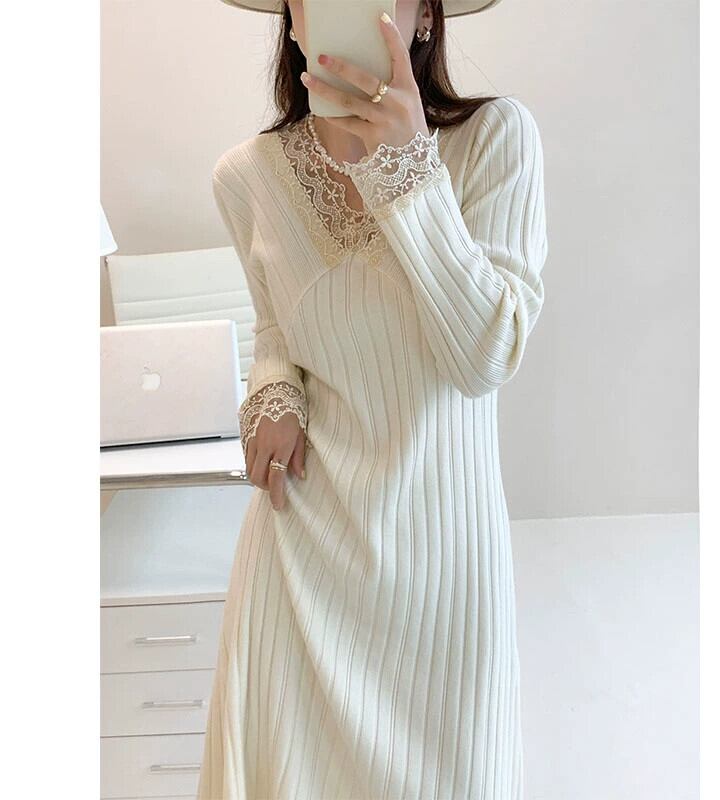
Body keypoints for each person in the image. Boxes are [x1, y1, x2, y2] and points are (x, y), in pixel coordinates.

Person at [198, 1, 548, 797]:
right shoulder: (246, 176)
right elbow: (275, 325)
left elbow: (485, 356)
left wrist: (409, 170)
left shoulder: (495, 140)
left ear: (424, 15)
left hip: (444, 568)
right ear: (294, 22)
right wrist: (273, 389)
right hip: (301, 556)